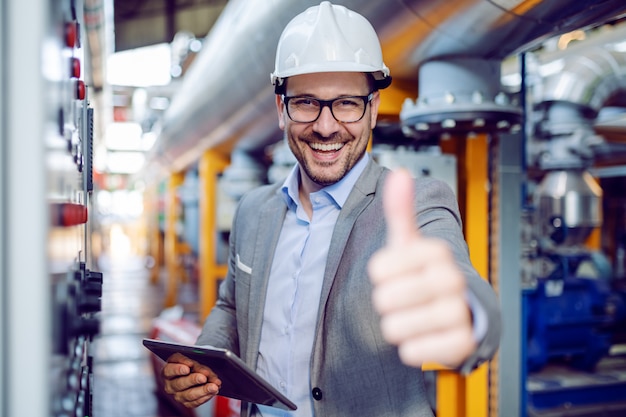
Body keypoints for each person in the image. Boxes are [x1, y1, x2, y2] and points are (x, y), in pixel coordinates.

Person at [161, 2, 501, 416]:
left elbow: (461, 287)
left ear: (372, 109)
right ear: (281, 109)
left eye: (346, 103)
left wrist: (465, 319)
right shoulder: (254, 211)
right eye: (306, 102)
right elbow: (232, 306)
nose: (326, 126)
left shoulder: (416, 204)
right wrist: (202, 359)